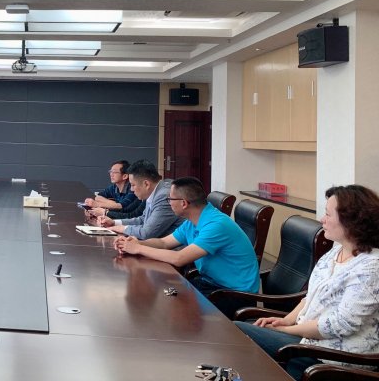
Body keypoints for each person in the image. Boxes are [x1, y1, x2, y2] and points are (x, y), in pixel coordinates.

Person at [235, 185, 379, 380]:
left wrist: (287, 330)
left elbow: (339, 325)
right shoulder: (335, 252)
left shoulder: (371, 267)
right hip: (309, 340)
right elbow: (311, 296)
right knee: (239, 333)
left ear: (352, 220)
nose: (322, 219)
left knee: (237, 332)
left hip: (335, 357)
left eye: (328, 214)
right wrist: (286, 320)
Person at [114, 177, 259, 314]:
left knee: (173, 307)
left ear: (184, 203)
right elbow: (164, 243)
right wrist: (137, 243)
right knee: (167, 296)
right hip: (210, 283)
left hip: (234, 294)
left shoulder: (216, 225)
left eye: (170, 199)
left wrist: (139, 249)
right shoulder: (193, 220)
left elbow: (179, 258)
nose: (168, 203)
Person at [97, 160, 180, 239]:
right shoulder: (155, 191)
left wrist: (122, 228)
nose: (132, 189)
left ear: (146, 184)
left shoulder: (164, 196)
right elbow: (143, 219)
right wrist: (114, 222)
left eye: (133, 185)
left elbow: (147, 233)